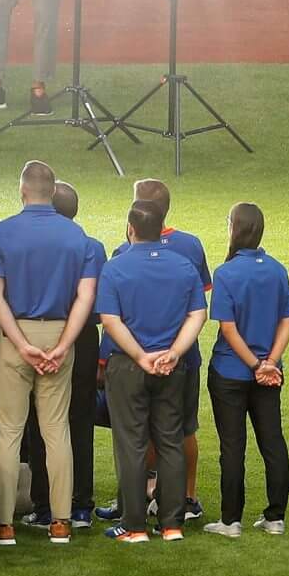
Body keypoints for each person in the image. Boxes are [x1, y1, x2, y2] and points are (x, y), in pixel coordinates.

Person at [0, 161, 99, 545]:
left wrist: (20, 342)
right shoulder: (77, 237)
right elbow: (86, 297)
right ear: (51, 191)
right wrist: (64, 344)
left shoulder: (1, 232)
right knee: (56, 431)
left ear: (22, 190)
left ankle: (4, 522)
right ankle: (61, 521)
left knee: (9, 433)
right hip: (60, 335)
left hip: (16, 336)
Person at [95, 200, 209, 543]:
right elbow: (198, 315)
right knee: (171, 439)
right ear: (163, 228)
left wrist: (140, 355)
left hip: (128, 367)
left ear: (131, 228)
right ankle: (172, 524)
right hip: (172, 367)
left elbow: (110, 320)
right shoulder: (184, 266)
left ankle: (134, 526)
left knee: (131, 443)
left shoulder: (115, 267)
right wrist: (173, 353)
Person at [205, 202, 289, 539]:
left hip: (230, 372)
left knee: (232, 447)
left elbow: (228, 329)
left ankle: (231, 521)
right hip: (270, 375)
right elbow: (287, 320)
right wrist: (270, 362)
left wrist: (256, 365)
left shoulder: (226, 273)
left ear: (235, 228)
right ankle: (275, 517)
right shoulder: (277, 270)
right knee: (273, 441)